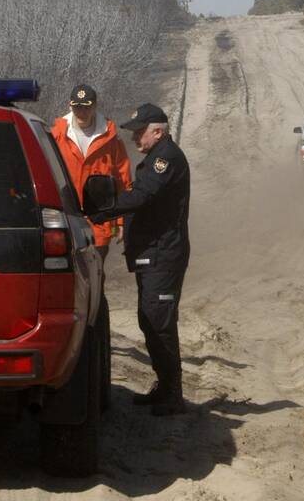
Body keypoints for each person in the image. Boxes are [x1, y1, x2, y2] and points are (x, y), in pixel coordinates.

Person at [91, 103, 190, 416]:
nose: (135, 139)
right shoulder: (156, 158)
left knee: (158, 322)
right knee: (150, 320)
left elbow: (142, 196)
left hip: (163, 254)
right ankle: (165, 387)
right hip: (153, 253)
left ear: (157, 131)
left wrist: (103, 208)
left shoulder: (166, 158)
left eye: (139, 132)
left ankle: (173, 393)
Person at [51, 84, 131, 259]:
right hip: (66, 220)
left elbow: (122, 180)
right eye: (77, 107)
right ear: (70, 106)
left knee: (95, 276)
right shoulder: (57, 135)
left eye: (86, 107)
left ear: (94, 106)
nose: (81, 112)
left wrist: (121, 221)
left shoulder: (110, 138)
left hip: (100, 221)